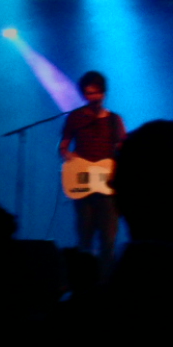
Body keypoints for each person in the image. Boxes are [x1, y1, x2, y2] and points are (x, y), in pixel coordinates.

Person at [59, 71, 126, 276]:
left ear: (104, 93)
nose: (93, 97)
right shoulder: (76, 117)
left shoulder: (114, 120)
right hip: (83, 183)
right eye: (89, 93)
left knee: (108, 238)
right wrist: (69, 157)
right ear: (83, 95)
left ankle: (105, 281)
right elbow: (63, 147)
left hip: (107, 186)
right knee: (84, 237)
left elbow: (123, 148)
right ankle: (83, 280)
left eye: (97, 93)